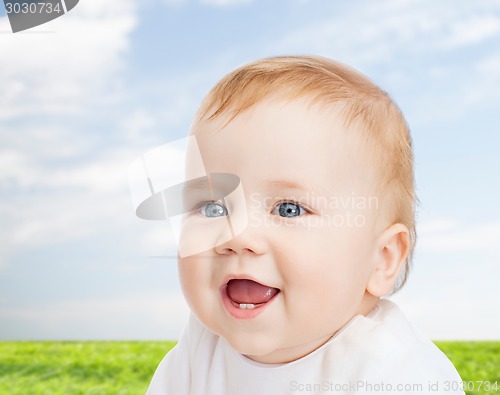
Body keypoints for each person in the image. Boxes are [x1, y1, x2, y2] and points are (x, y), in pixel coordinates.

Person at [144, 55, 465, 394]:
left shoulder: (395, 374)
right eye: (212, 208)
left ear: (382, 258)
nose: (237, 236)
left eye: (289, 209)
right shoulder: (201, 348)